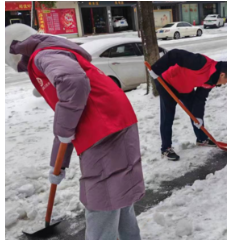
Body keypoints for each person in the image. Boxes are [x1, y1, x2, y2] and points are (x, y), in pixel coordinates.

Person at [5, 23, 145, 240]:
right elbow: (68, 119)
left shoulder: (42, 55)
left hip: (104, 128)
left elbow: (73, 82)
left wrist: (63, 132)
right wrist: (57, 164)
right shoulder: (53, 51)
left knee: (102, 200)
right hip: (114, 121)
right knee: (119, 194)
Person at [150, 49, 227, 161]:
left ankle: (202, 139)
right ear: (222, 74)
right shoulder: (201, 63)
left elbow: (200, 99)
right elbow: (175, 54)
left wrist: (197, 116)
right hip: (167, 83)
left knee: (195, 113)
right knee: (168, 116)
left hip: (185, 87)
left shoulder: (213, 81)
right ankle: (166, 148)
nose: (226, 84)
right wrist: (156, 69)